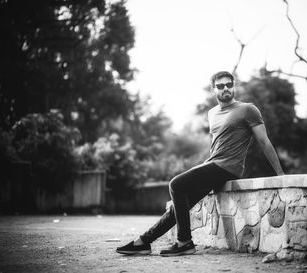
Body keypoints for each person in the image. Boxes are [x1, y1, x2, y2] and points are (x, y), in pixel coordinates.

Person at [116, 71, 284, 257]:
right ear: (214, 90)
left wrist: (281, 174)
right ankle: (143, 242)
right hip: (214, 164)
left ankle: (184, 242)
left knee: (176, 184)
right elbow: (218, 144)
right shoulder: (212, 113)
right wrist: (204, 166)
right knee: (178, 205)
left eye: (229, 84)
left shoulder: (248, 109)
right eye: (220, 86)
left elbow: (264, 142)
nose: (225, 88)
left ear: (233, 86)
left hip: (229, 167)